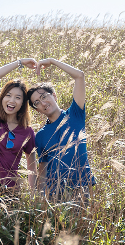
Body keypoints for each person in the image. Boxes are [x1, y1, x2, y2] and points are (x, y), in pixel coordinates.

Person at [26, 58, 95, 202]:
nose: (43, 103)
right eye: (37, 103)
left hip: (81, 189)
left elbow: (79, 76)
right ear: (37, 109)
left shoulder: (75, 114)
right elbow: (43, 169)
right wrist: (40, 198)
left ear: (54, 95)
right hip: (54, 194)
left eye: (44, 96)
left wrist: (52, 61)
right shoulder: (40, 136)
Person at [0, 58, 38, 194]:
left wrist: (34, 194)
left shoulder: (27, 131)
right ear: (2, 97)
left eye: (18, 97)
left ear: (22, 103)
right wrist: (20, 62)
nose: (11, 100)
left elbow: (32, 167)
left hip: (9, 191)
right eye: (8, 95)